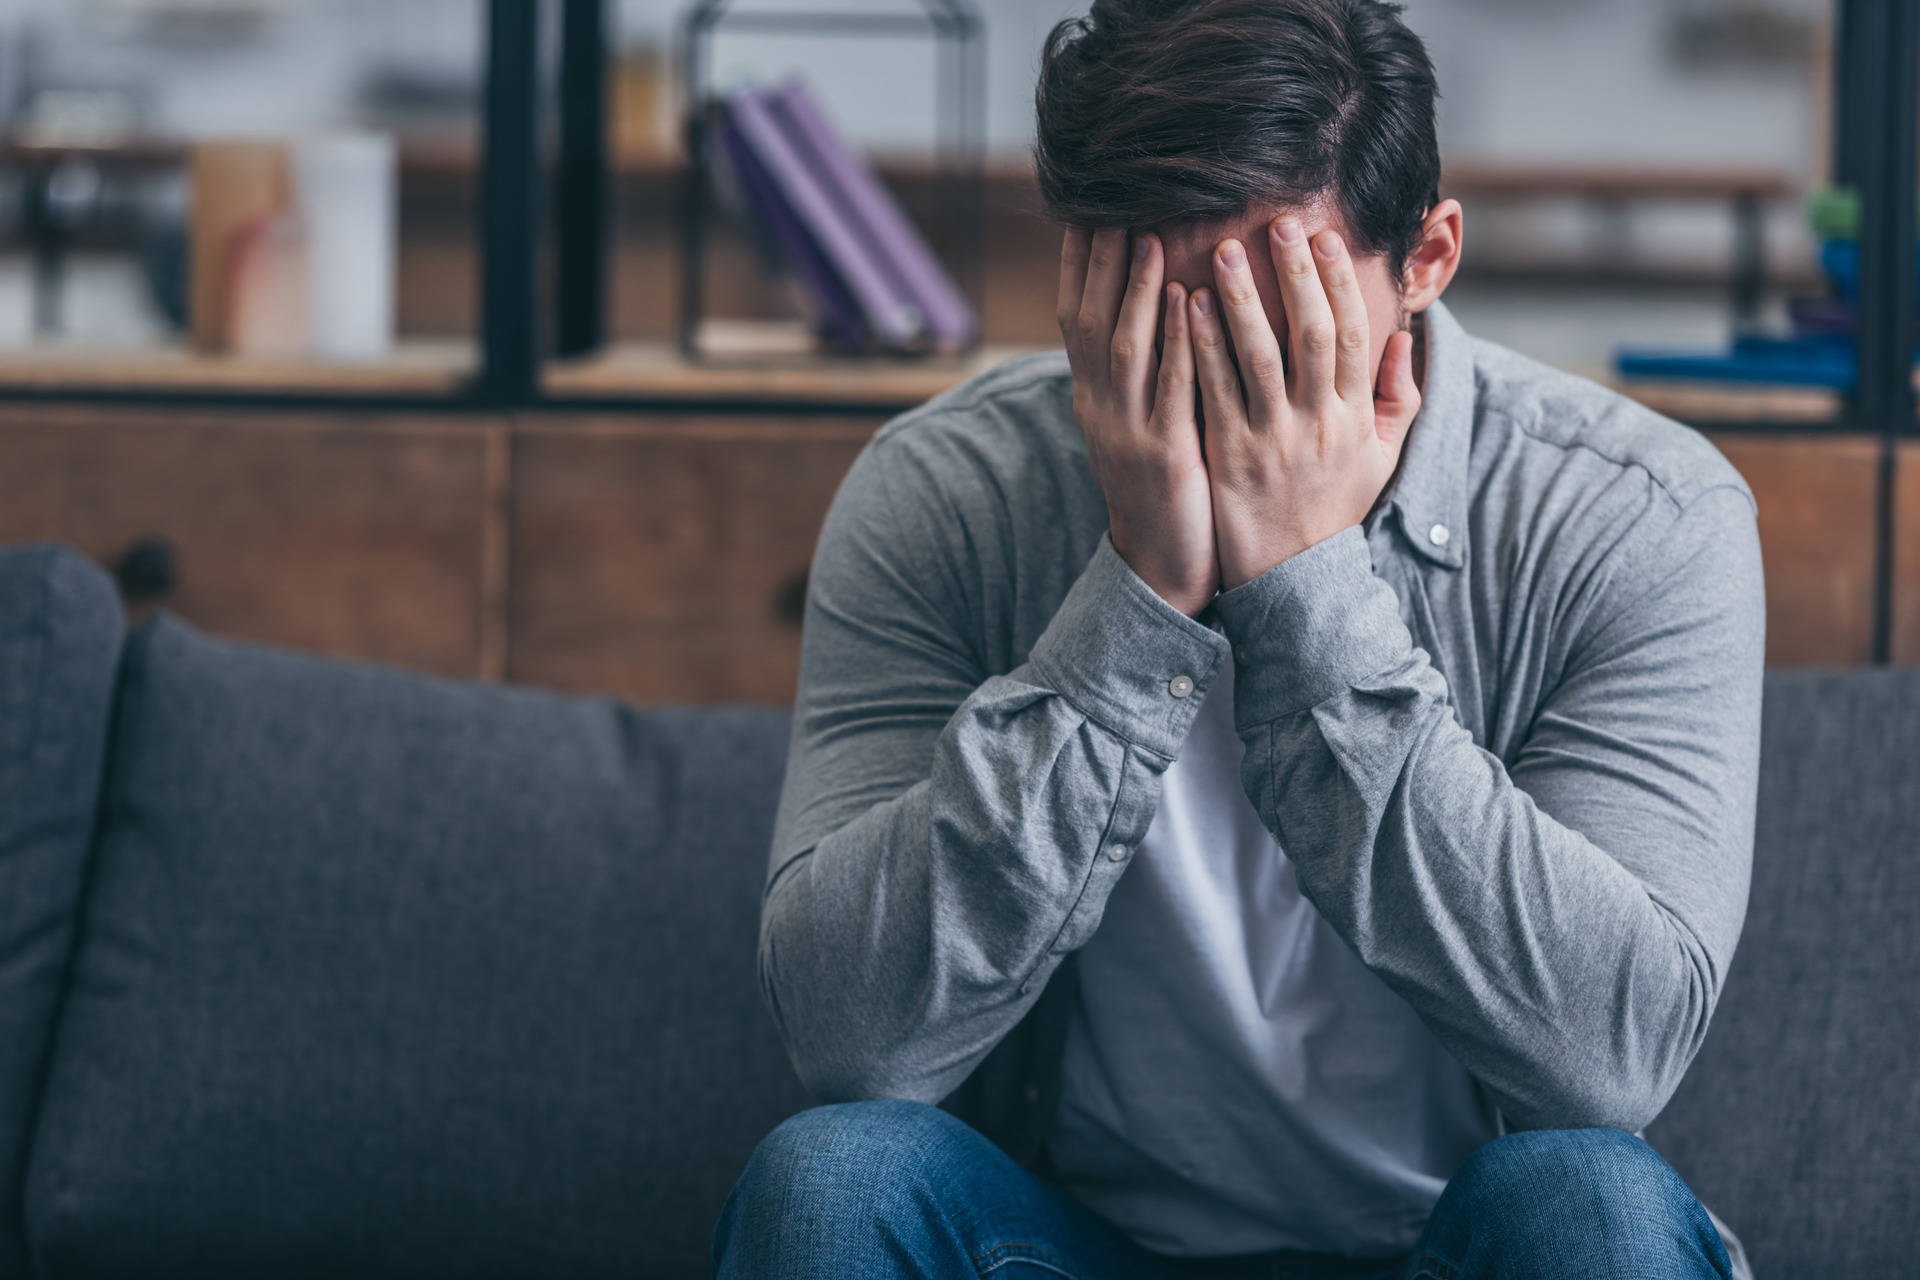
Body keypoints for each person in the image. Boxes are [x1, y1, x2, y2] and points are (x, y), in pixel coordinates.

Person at [714, 1, 1764, 1276]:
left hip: (1461, 1245)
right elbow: (851, 1042)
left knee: (1591, 1202)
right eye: (1157, 311)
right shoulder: (947, 492)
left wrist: (1309, 587)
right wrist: (1139, 587)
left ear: (1424, 261)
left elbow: (1612, 1051)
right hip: (1073, 1241)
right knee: (833, 1182)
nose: (1217, 372)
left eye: (1278, 311)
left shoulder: (1631, 515)